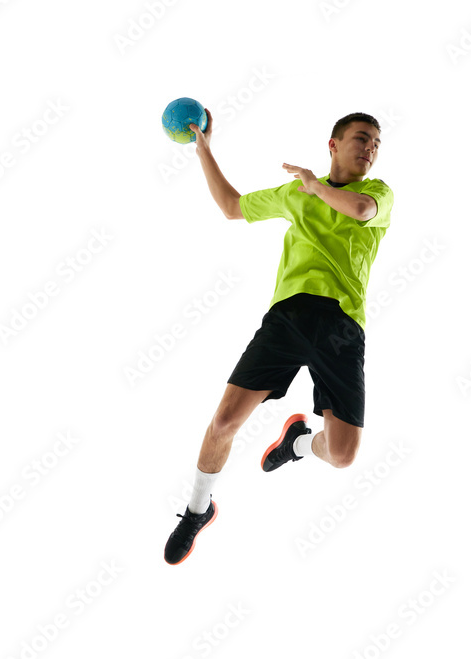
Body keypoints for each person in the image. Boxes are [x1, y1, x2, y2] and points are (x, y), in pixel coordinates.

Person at [163, 109, 393, 565]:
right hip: (288, 316)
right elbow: (232, 206)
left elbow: (360, 210)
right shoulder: (296, 194)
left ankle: (297, 444)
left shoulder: (377, 193)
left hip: (342, 327)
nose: (370, 149)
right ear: (334, 144)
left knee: (343, 455)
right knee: (225, 421)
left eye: (376, 145)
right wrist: (204, 150)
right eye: (361, 139)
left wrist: (317, 187)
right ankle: (197, 509)